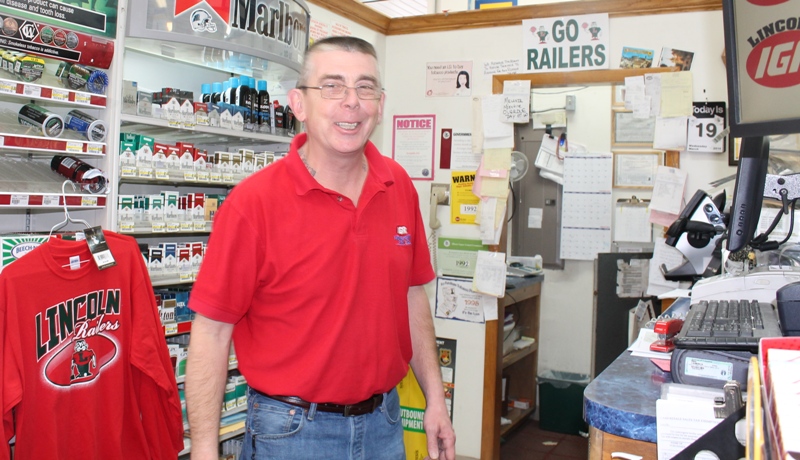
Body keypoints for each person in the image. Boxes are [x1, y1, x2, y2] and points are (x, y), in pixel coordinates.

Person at [185, 36, 456, 460]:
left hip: (384, 425)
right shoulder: (253, 204)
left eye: (365, 87)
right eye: (332, 86)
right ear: (299, 104)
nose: (352, 102)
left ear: (380, 104)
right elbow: (211, 333)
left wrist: (435, 399)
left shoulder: (398, 185)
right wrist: (204, 451)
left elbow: (411, 295)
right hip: (291, 433)